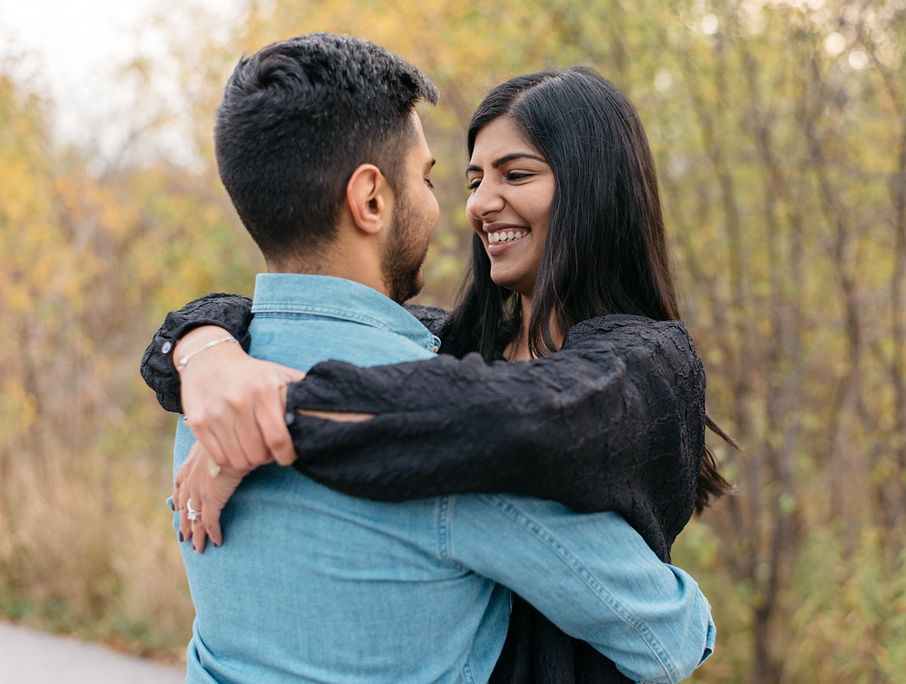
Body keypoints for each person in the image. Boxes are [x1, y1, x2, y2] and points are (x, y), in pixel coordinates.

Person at [156, 32, 715, 683]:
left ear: (592, 187)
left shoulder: (214, 409)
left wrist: (273, 408)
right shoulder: (430, 390)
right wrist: (201, 346)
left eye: (516, 174)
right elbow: (668, 635)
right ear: (370, 199)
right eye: (448, 177)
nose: (471, 204)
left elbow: (526, 412)